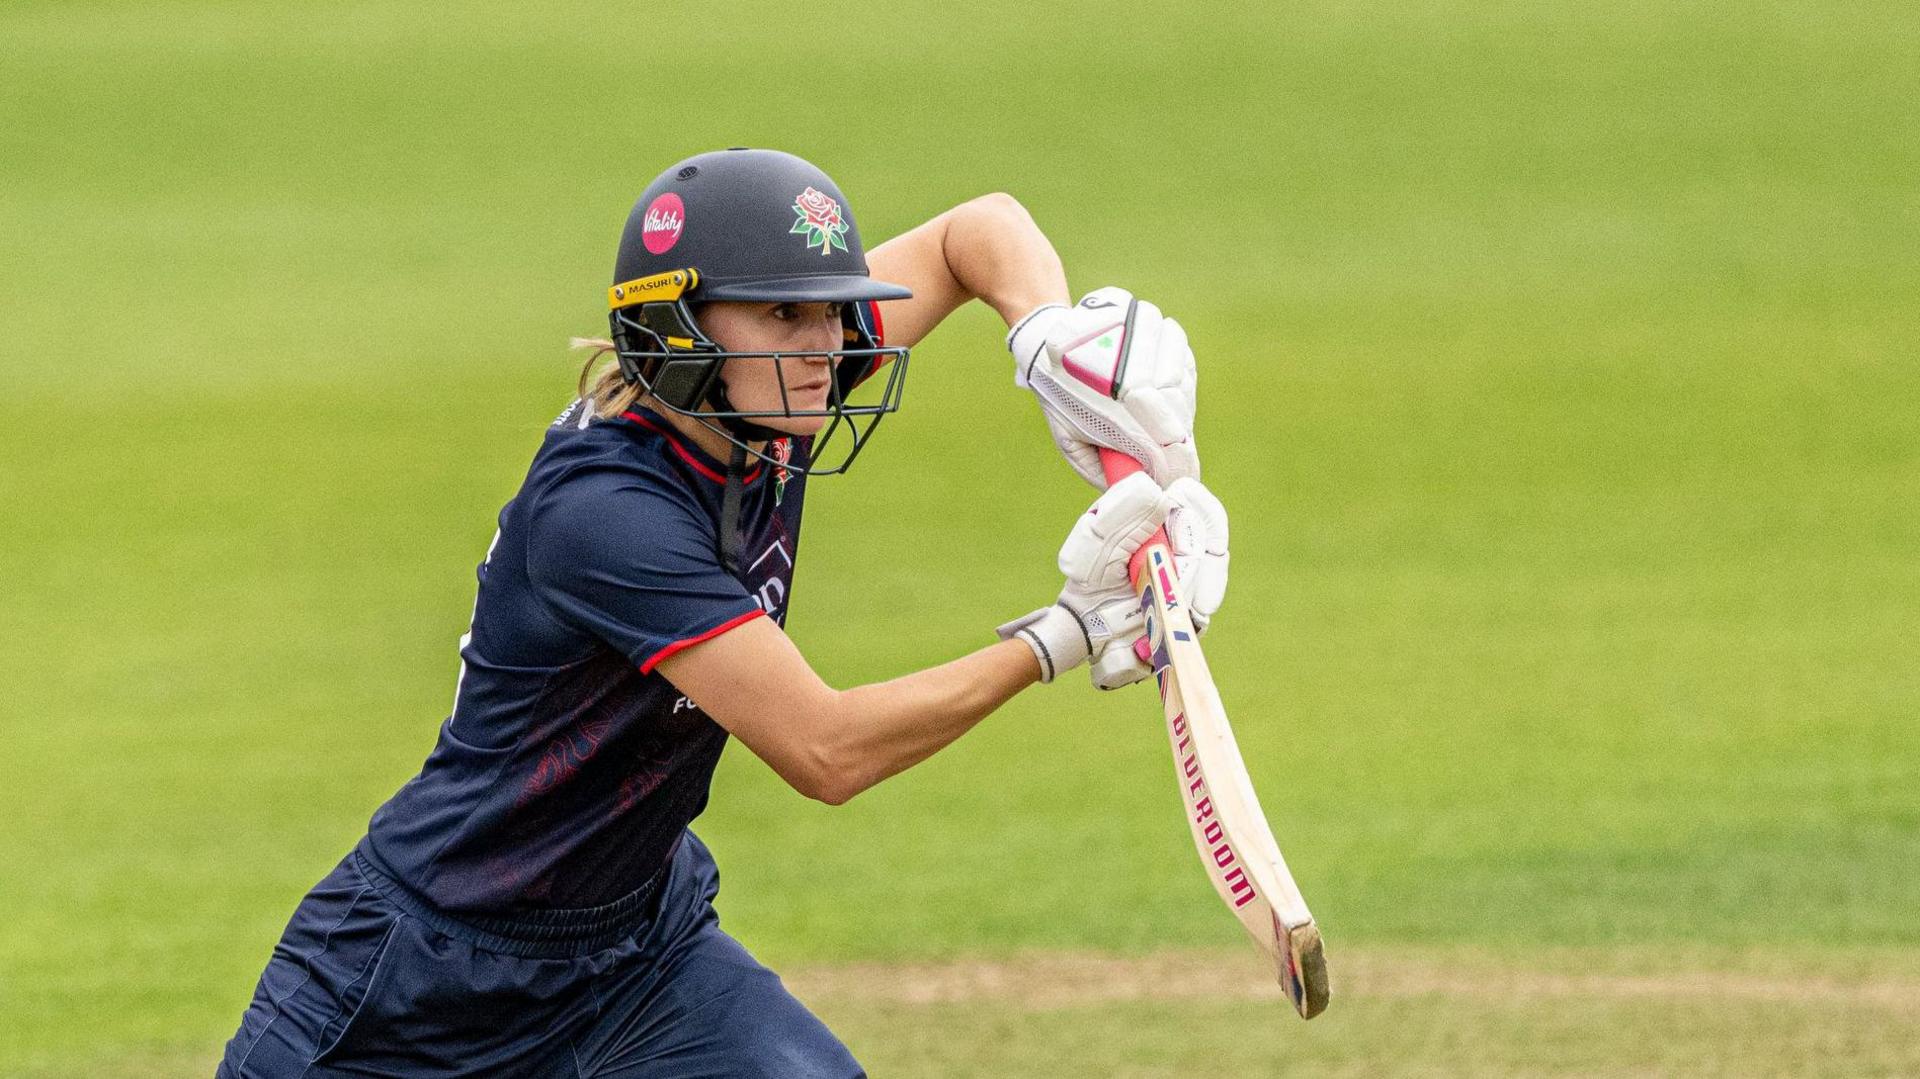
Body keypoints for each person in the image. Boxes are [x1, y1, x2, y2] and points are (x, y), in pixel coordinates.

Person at [216, 148, 1230, 1078]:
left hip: (635, 955)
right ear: (677, 329)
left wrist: (1047, 336)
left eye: (834, 315)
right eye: (787, 316)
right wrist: (1066, 632)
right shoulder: (607, 511)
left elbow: (980, 230)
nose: (829, 349)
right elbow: (826, 750)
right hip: (419, 989)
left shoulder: (764, 397)